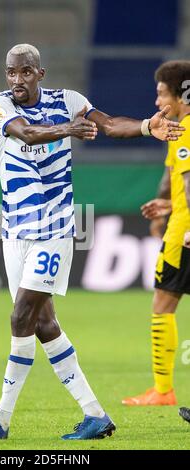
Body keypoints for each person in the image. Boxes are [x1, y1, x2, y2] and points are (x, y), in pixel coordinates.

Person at [0, 45, 184, 440]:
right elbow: (26, 133)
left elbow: (111, 124)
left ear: (40, 74)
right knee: (44, 324)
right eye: (11, 73)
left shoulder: (69, 101)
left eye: (25, 73)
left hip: (55, 230)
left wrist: (148, 126)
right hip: (14, 231)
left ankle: (0, 419)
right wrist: (68, 130)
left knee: (20, 317)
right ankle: (95, 415)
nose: (16, 81)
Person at [122, 60, 190, 407]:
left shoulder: (186, 128)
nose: (156, 102)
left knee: (163, 303)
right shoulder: (178, 128)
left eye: (162, 93)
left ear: (182, 93)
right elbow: (172, 177)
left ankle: (163, 390)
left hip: (184, 233)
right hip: (178, 219)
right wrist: (164, 206)